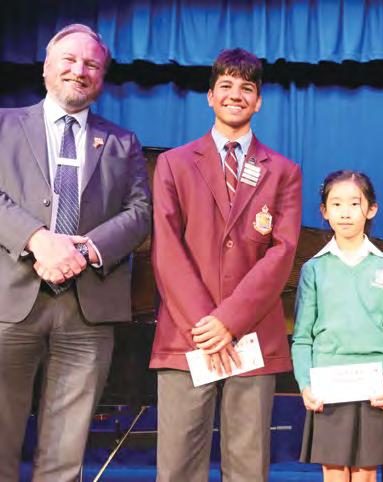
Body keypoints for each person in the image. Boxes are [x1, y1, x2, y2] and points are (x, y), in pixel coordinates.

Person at [0, 23, 151, 482]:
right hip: (9, 302)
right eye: (69, 60)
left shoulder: (123, 142)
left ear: (102, 77)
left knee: (67, 449)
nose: (79, 71)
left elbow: (140, 213)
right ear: (46, 67)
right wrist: (37, 238)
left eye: (91, 65)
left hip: (89, 310)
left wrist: (85, 251)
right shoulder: (3, 124)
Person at [149, 48, 302, 482]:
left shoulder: (284, 171)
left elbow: (282, 253)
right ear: (210, 96)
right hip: (187, 336)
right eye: (226, 86)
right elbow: (166, 249)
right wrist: (208, 325)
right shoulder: (174, 164)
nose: (236, 95)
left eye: (247, 88)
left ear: (259, 102)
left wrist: (229, 321)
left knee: (248, 467)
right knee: (178, 466)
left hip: (253, 338)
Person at [291, 170, 383, 482]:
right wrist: (305, 384)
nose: (345, 212)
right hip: (328, 382)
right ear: (324, 211)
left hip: (374, 383)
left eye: (354, 204)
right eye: (336, 204)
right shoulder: (314, 269)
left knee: (366, 473)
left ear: (371, 209)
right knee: (334, 472)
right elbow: (302, 337)